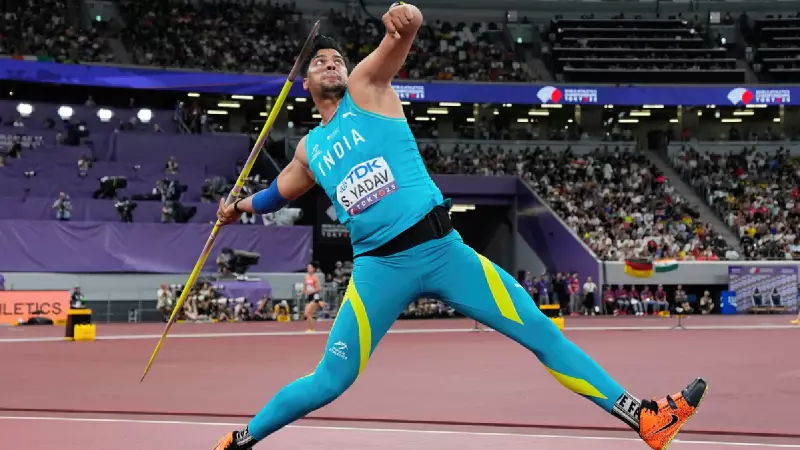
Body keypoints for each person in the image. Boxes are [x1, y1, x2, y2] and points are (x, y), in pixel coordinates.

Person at [212, 4, 707, 449]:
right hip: (378, 270)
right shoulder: (309, 150)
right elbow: (278, 193)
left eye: (336, 59)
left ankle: (645, 418)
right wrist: (238, 208)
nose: (331, 64)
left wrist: (407, 18)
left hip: (443, 251)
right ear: (305, 84)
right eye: (319, 62)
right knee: (330, 380)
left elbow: (402, 37)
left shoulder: (366, 88)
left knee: (540, 330)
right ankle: (240, 440)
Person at [302, 263, 324, 332]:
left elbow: (318, 288)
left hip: (315, 296)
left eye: (310, 267)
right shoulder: (306, 277)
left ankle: (311, 329)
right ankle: (310, 328)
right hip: (309, 297)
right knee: (306, 314)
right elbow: (304, 287)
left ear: (313, 269)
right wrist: (304, 291)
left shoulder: (315, 277)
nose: (308, 269)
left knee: (308, 313)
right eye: (308, 267)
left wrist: (311, 291)